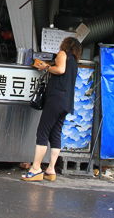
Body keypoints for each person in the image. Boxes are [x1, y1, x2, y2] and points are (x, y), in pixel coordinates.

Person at [21, 37, 82, 182]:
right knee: (55, 133)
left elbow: (60, 69)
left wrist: (46, 67)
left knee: (43, 131)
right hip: (66, 102)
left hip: (56, 98)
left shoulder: (63, 54)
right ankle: (51, 169)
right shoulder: (74, 62)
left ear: (66, 45)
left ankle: (36, 169)